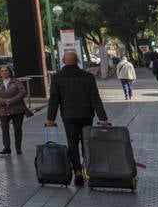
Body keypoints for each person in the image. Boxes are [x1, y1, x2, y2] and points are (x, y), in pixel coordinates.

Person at [46, 51, 111, 187]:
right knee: (86, 142)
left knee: (72, 143)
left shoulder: (57, 77)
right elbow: (95, 98)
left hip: (69, 116)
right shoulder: (88, 77)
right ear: (77, 61)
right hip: (87, 115)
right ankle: (89, 169)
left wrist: (50, 119)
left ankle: (77, 172)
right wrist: (103, 118)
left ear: (63, 61)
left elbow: (54, 100)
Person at [0, 65, 28, 156]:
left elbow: (22, 92)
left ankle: (18, 148)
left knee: (17, 129)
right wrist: (4, 101)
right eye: (2, 71)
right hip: (3, 110)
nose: (4, 72)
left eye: (6, 70)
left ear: (9, 72)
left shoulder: (16, 81)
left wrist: (11, 101)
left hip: (17, 109)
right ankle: (7, 148)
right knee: (4, 129)